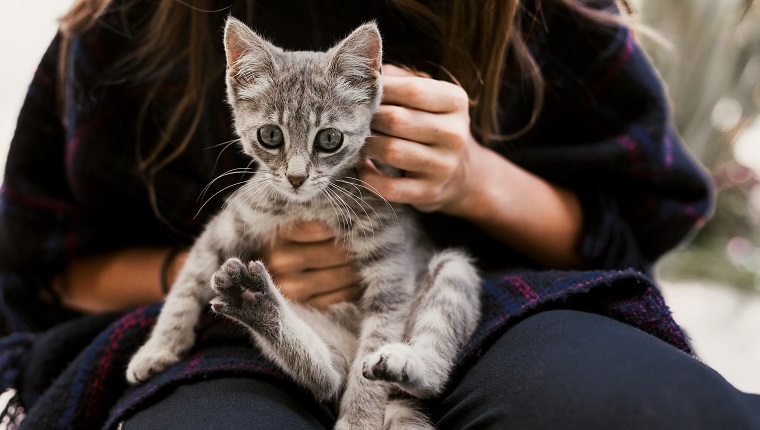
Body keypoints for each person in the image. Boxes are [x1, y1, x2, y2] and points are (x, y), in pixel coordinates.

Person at [0, 0, 758, 428]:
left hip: (491, 300)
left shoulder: (530, 15)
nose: (297, 168)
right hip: (228, 333)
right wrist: (208, 279)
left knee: (654, 412)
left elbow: (637, 218)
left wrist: (472, 179)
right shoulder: (123, 26)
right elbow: (42, 262)